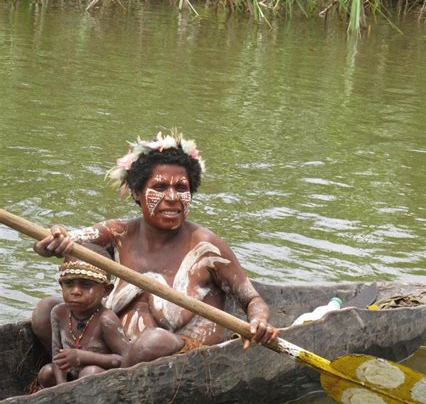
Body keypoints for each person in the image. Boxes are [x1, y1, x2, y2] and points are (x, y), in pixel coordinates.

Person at [32, 130, 278, 367]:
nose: (172, 197)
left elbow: (253, 299)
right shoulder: (118, 233)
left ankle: (103, 381)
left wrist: (259, 321)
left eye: (181, 188)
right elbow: (48, 244)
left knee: (153, 341)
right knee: (46, 310)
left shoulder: (206, 246)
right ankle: (65, 371)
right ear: (137, 193)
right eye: (160, 187)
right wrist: (54, 241)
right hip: (112, 350)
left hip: (173, 355)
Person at [37, 247, 130, 388]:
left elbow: (125, 360)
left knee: (89, 372)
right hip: (71, 377)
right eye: (69, 284)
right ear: (61, 285)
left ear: (106, 290)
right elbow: (57, 357)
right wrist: (61, 388)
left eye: (86, 284)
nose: (75, 291)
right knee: (47, 372)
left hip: (97, 380)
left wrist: (81, 357)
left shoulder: (105, 319)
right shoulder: (58, 313)